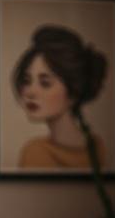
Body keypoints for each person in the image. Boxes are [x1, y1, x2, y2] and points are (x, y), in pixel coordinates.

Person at [12, 25, 107, 170]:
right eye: (26, 81)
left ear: (73, 92)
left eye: (45, 83)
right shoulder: (97, 145)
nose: (30, 92)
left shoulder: (35, 152)